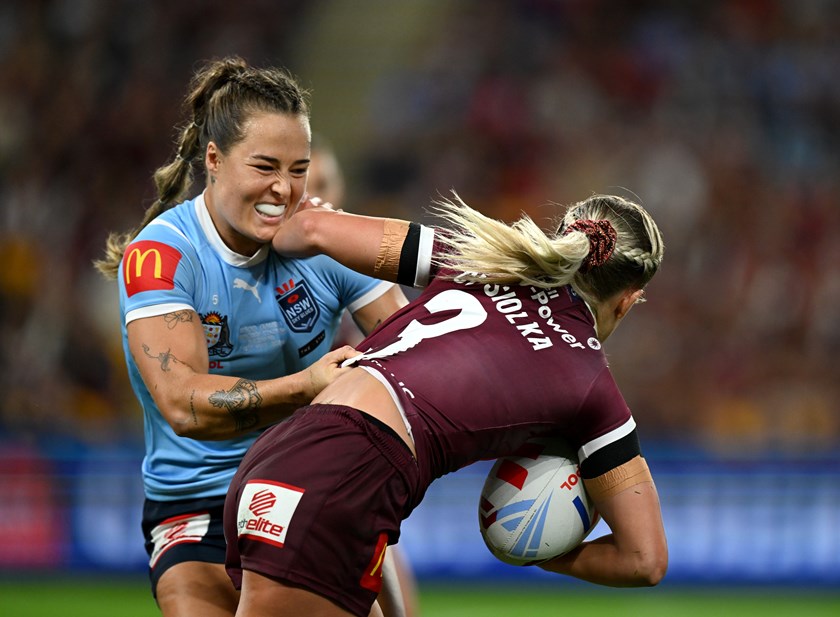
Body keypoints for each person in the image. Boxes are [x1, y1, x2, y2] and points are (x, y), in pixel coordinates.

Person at [223, 192, 669, 616]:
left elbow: (312, 229)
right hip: (348, 476)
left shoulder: (480, 254)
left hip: (285, 451)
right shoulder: (590, 385)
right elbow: (644, 560)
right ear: (627, 301)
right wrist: (538, 549)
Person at [93, 56, 408, 617]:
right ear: (214, 160)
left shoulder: (325, 243)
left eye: (298, 169)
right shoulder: (162, 257)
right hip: (194, 506)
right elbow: (184, 405)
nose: (284, 190)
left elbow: (410, 357)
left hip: (308, 489)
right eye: (265, 167)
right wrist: (310, 386)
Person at [307, 133, 421, 617]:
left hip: (339, 463)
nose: (314, 196)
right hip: (267, 459)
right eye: (304, 182)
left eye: (324, 183)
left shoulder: (356, 267)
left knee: (392, 578)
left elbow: (411, 345)